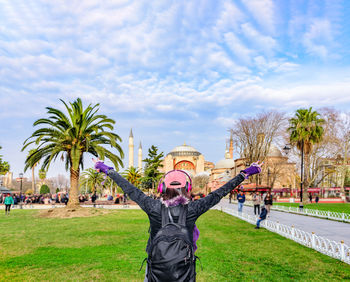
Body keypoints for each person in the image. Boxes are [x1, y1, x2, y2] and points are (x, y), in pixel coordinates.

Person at [94, 159, 262, 281]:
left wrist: (108, 170)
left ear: (162, 188)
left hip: (156, 266)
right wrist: (244, 173)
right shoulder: (192, 209)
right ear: (187, 188)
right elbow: (218, 193)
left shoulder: (152, 207)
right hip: (184, 267)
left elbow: (130, 189)